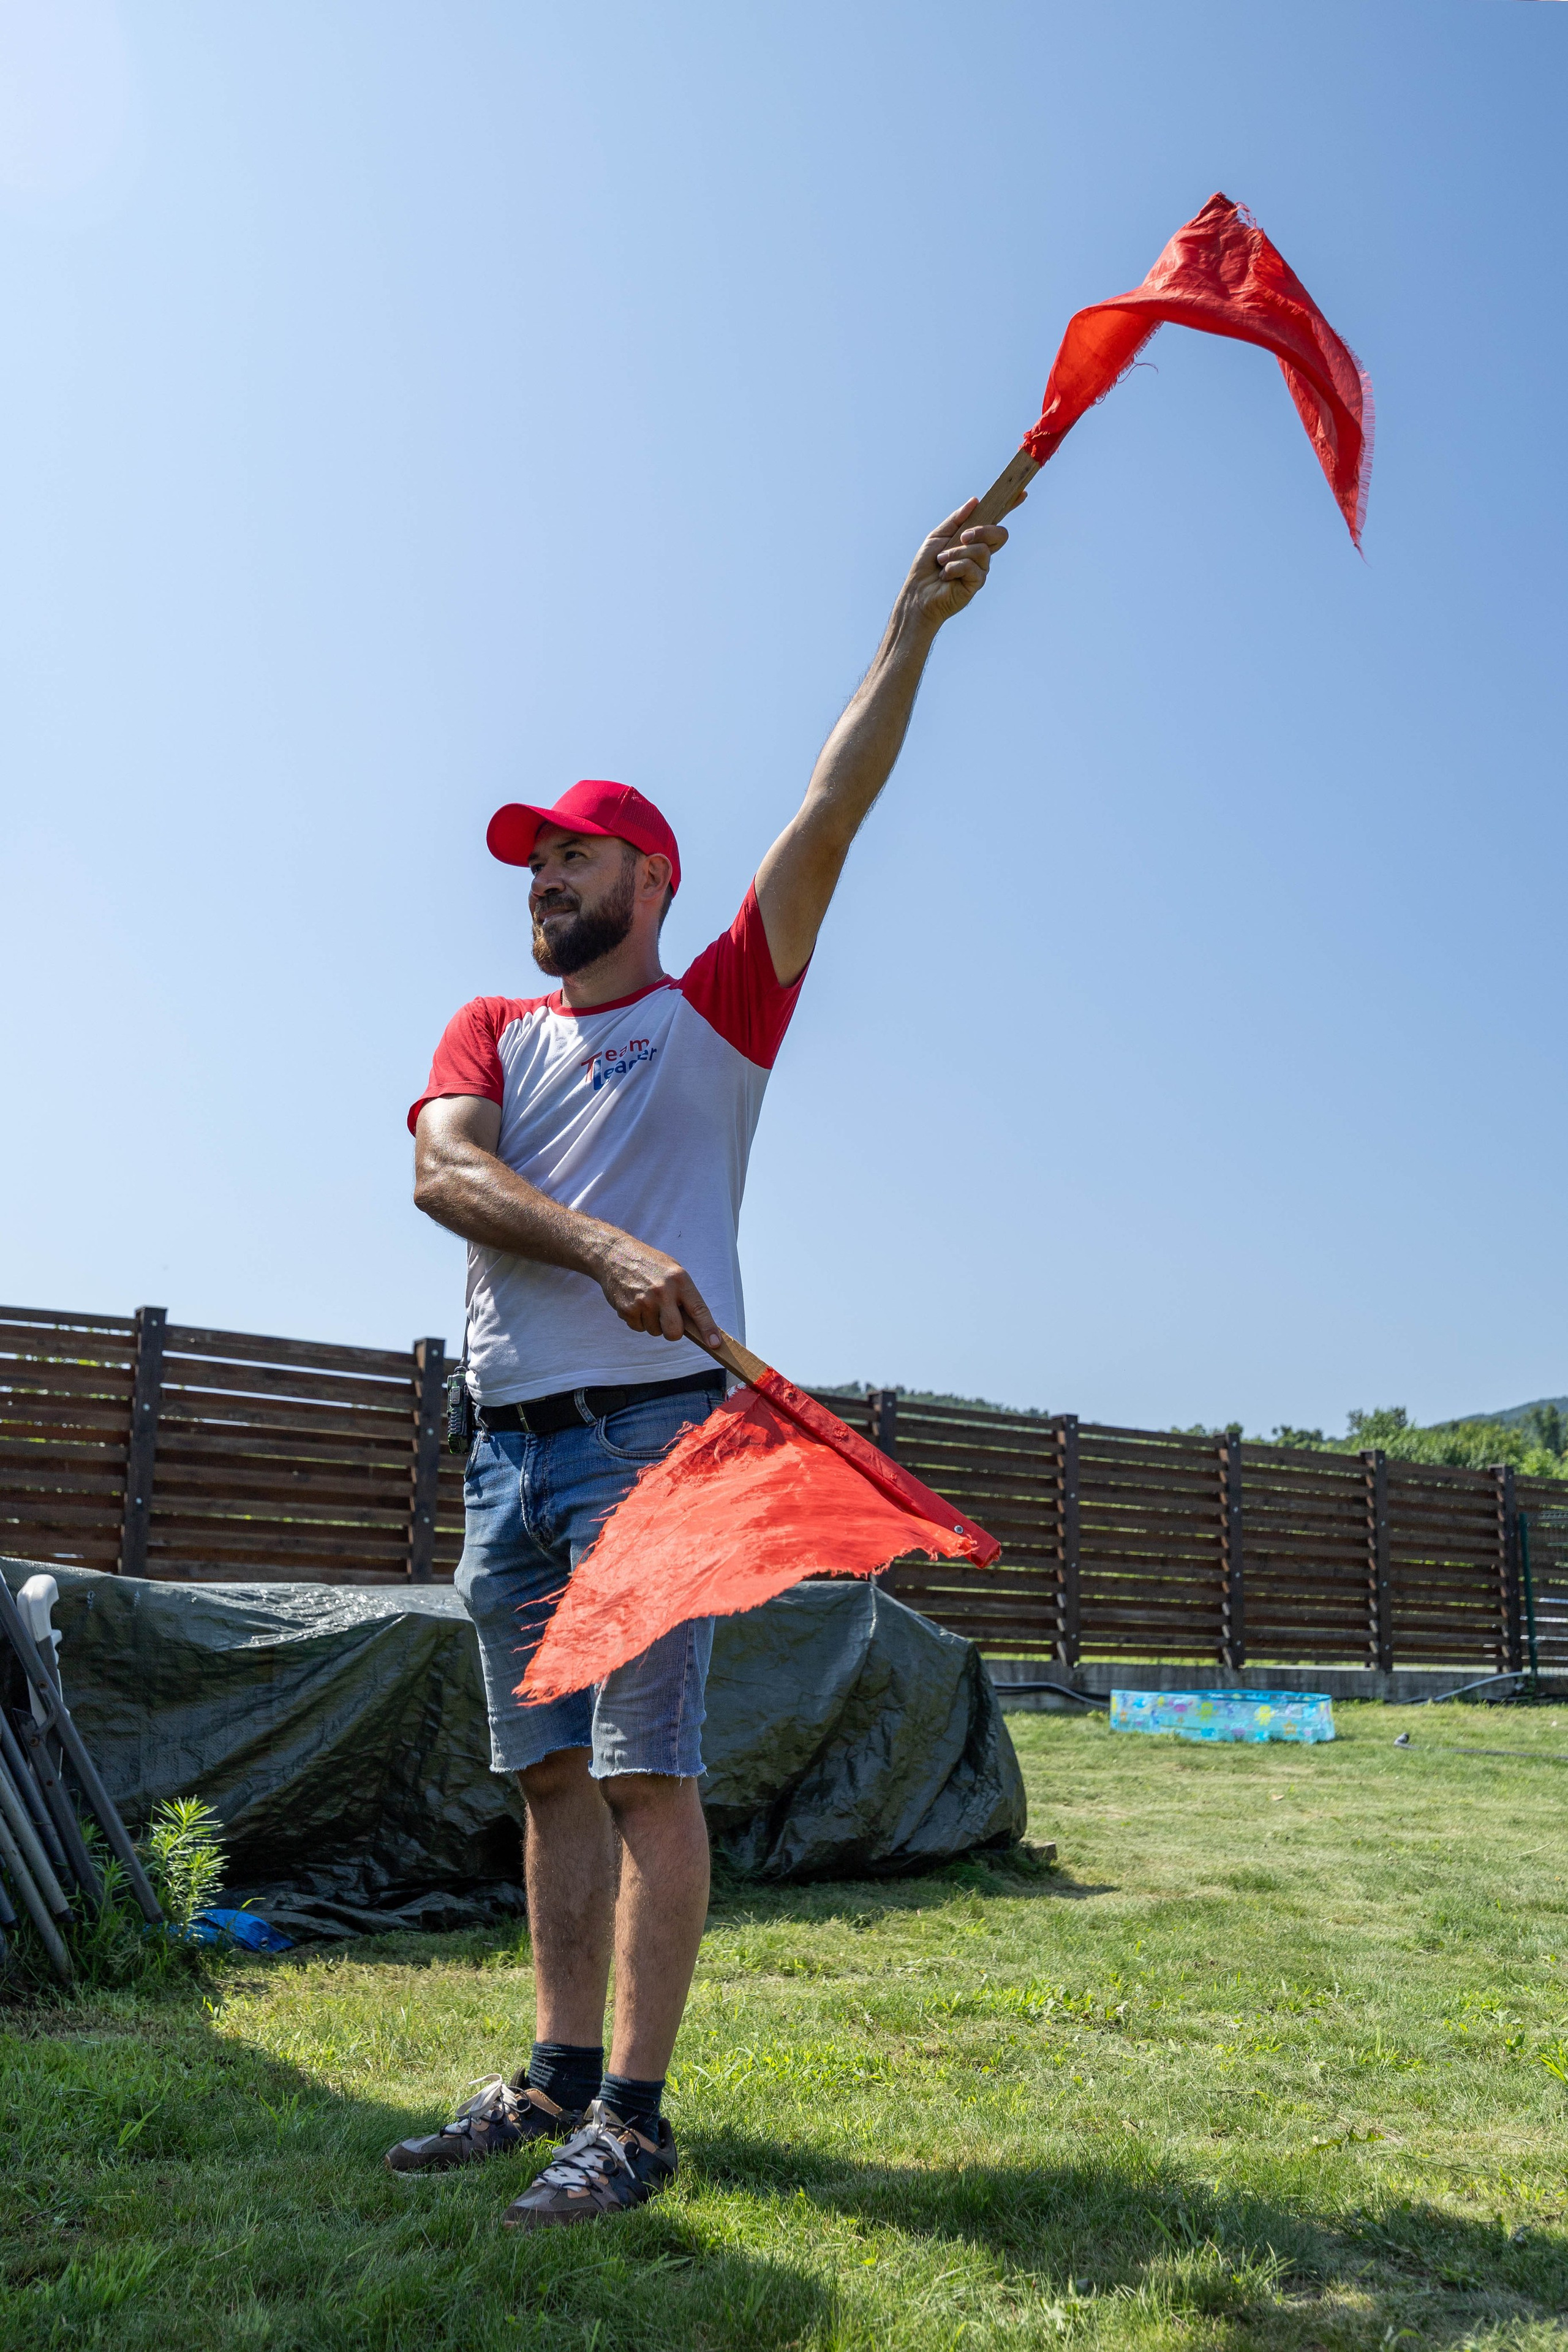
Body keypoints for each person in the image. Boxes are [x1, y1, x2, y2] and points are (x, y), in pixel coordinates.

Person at [393, 493, 1015, 2230]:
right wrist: (603, 1246)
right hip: (508, 1450)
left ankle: (641, 2122)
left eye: (576, 853)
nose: (544, 876)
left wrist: (914, 633)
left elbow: (835, 807)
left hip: (655, 1452)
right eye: (534, 858)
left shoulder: (722, 1007)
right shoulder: (489, 1030)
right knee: (544, 1782)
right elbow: (443, 1171)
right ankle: (555, 2077)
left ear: (651, 879)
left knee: (647, 1771)